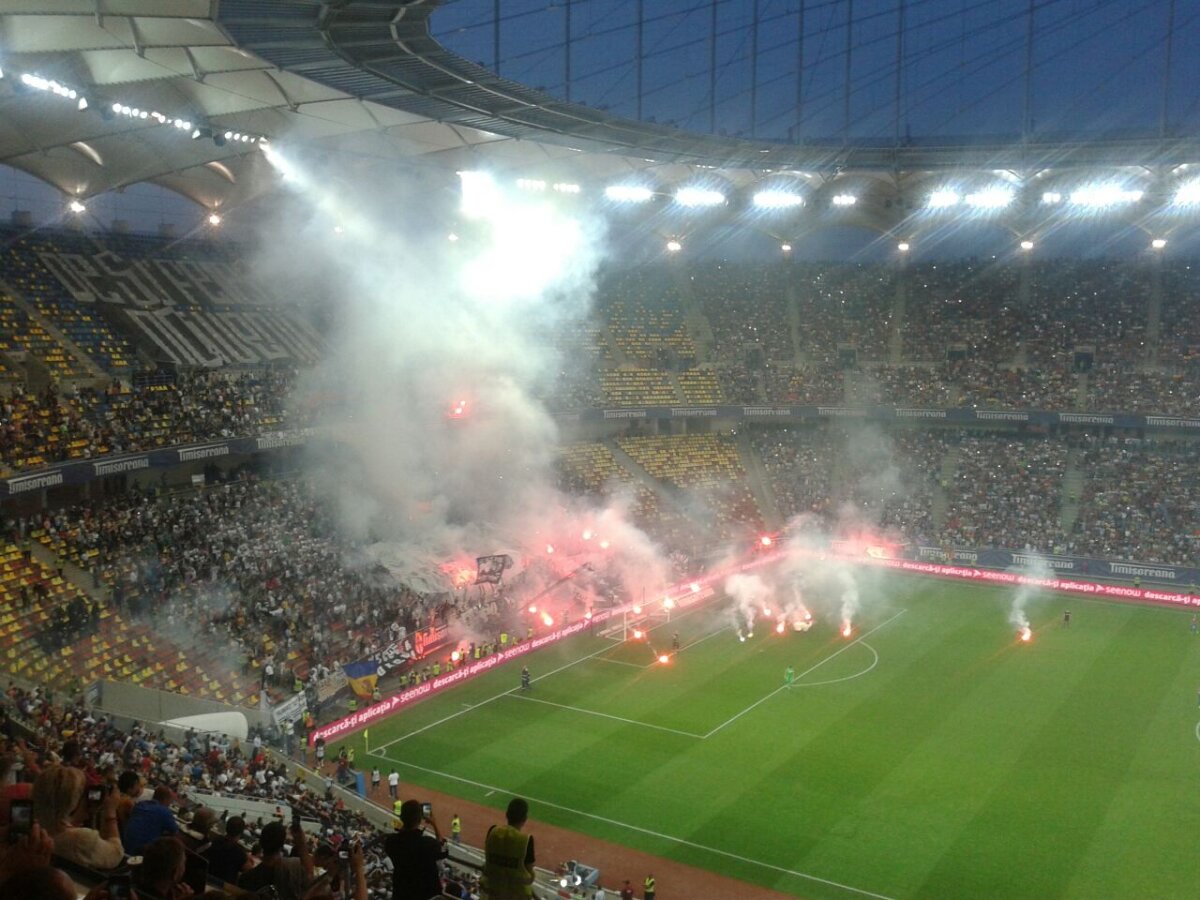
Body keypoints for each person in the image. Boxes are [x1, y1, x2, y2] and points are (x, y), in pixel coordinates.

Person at [32, 765, 124, 869]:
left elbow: (59, 825)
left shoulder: (33, 829)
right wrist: (110, 812)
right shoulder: (81, 839)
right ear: (72, 801)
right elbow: (116, 854)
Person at [384, 798, 448, 900]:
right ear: (419, 820)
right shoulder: (427, 843)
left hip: (401, 893)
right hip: (425, 894)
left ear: (402, 817)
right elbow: (444, 851)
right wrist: (434, 824)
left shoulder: (391, 841)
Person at [237, 819, 313, 900]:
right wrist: (302, 843)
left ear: (261, 842)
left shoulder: (245, 879)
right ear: (282, 844)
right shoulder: (294, 869)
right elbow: (310, 878)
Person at [482, 797, 535, 899]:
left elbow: (488, 862)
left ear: (507, 815)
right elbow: (530, 876)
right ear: (525, 819)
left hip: (493, 893)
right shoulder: (526, 840)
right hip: (516, 895)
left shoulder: (492, 832)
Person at [123, 785, 179, 855]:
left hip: (125, 844)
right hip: (140, 852)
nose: (169, 804)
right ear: (165, 799)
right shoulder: (164, 811)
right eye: (170, 801)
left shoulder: (140, 804)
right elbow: (175, 831)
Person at [203, 815, 250, 885]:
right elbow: (248, 870)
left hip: (207, 879)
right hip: (223, 887)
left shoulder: (216, 840)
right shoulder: (240, 852)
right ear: (241, 832)